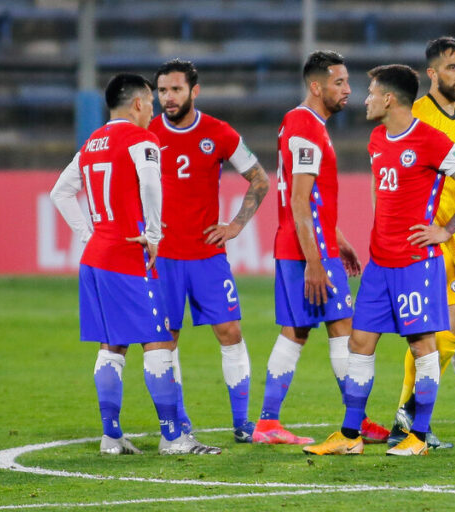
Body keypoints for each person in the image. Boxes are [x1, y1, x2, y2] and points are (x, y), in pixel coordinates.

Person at [303, 64, 455, 457]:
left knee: (422, 345)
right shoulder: (376, 139)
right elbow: (381, 193)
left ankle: (417, 437)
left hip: (416, 264)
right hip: (380, 264)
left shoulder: (431, 140)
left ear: (388, 98)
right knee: (359, 342)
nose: (365, 99)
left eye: (371, 92)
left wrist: (446, 230)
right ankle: (350, 436)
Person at [50, 73, 220, 455]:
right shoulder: (142, 138)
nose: (153, 113)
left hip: (96, 257)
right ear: (139, 103)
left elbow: (60, 192)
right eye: (151, 104)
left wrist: (88, 234)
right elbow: (150, 182)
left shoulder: (92, 143)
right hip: (128, 255)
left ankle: (111, 436)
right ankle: (173, 438)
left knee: (112, 346)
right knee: (158, 341)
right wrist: (154, 233)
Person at [253, 51, 388, 445]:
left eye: (347, 82)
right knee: (334, 329)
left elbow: (312, 201)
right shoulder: (306, 126)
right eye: (339, 83)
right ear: (316, 87)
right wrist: (315, 260)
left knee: (305, 330)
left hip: (309, 245)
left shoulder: (302, 123)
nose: (348, 90)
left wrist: (337, 239)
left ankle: (272, 423)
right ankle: (349, 420)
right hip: (306, 251)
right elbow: (299, 200)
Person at [149, 59, 269, 444]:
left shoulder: (218, 132)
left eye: (176, 89)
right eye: (162, 90)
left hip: (207, 255)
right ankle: (180, 422)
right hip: (163, 257)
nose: (168, 97)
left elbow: (260, 180)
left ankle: (242, 423)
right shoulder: (147, 132)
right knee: (166, 339)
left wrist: (235, 226)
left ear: (194, 91)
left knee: (230, 331)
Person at [387, 36, 455, 449]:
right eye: (453, 68)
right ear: (432, 73)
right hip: (423, 235)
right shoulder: (414, 114)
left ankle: (407, 417)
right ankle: (408, 417)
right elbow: (391, 170)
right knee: (439, 326)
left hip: (451, 235)